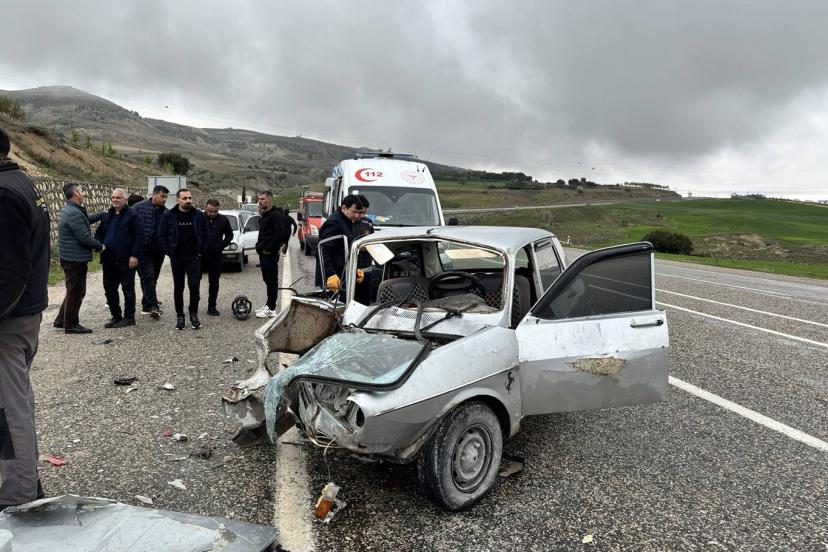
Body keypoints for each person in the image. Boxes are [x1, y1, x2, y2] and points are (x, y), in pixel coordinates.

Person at [0, 126, 49, 510]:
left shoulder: (3, 194)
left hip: (8, 320)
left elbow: (9, 271)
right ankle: (22, 477)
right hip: (24, 313)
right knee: (16, 401)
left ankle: (17, 496)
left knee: (8, 408)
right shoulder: (21, 183)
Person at [53, 183, 105, 334]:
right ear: (76, 193)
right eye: (82, 191)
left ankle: (61, 320)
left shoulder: (71, 209)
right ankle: (71, 325)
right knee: (77, 291)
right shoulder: (74, 213)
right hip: (74, 259)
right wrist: (100, 246)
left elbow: (84, 220)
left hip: (70, 257)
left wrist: (102, 214)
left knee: (72, 290)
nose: (84, 193)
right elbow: (84, 238)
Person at [94, 188, 144, 328]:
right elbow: (99, 233)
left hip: (126, 259)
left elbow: (140, 236)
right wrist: (97, 244)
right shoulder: (107, 216)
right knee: (109, 288)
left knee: (127, 289)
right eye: (113, 197)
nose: (115, 200)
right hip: (108, 259)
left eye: (118, 197)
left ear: (125, 200)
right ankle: (116, 315)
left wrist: (134, 255)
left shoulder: (133, 215)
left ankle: (129, 317)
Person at [159, 188, 208, 330]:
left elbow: (206, 233)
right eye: (185, 198)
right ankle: (180, 316)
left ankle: (193, 314)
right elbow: (161, 235)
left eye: (190, 198)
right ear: (178, 200)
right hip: (177, 257)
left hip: (194, 256)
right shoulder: (169, 215)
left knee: (194, 286)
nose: (188, 201)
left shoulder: (198, 215)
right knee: (178, 287)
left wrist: (201, 250)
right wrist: (169, 252)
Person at [314, 194, 365, 295]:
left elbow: (345, 248)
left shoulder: (347, 222)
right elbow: (321, 250)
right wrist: (330, 274)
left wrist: (355, 268)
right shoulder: (334, 223)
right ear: (344, 208)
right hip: (333, 279)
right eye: (354, 212)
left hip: (343, 274)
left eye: (358, 212)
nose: (356, 216)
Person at [254, 191, 292, 318]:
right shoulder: (265, 214)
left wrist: (268, 248)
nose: (260, 201)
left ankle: (271, 308)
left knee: (271, 281)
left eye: (262, 199)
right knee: (267, 280)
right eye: (259, 199)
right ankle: (268, 304)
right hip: (264, 253)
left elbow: (280, 234)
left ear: (269, 200)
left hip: (269, 254)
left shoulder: (276, 215)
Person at [133, 185, 169, 319]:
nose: (164, 199)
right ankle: (153, 306)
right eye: (162, 196)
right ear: (154, 195)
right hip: (143, 250)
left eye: (166, 197)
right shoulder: (139, 208)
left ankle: (146, 304)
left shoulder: (166, 212)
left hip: (159, 251)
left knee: (153, 278)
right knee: (148, 275)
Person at [202, 199, 233, 316]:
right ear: (205, 207)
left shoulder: (223, 220)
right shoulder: (199, 218)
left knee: (214, 282)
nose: (212, 214)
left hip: (215, 256)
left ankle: (212, 307)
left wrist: (222, 245)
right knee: (194, 282)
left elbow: (229, 235)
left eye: (215, 212)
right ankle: (193, 306)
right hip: (200, 256)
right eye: (209, 211)